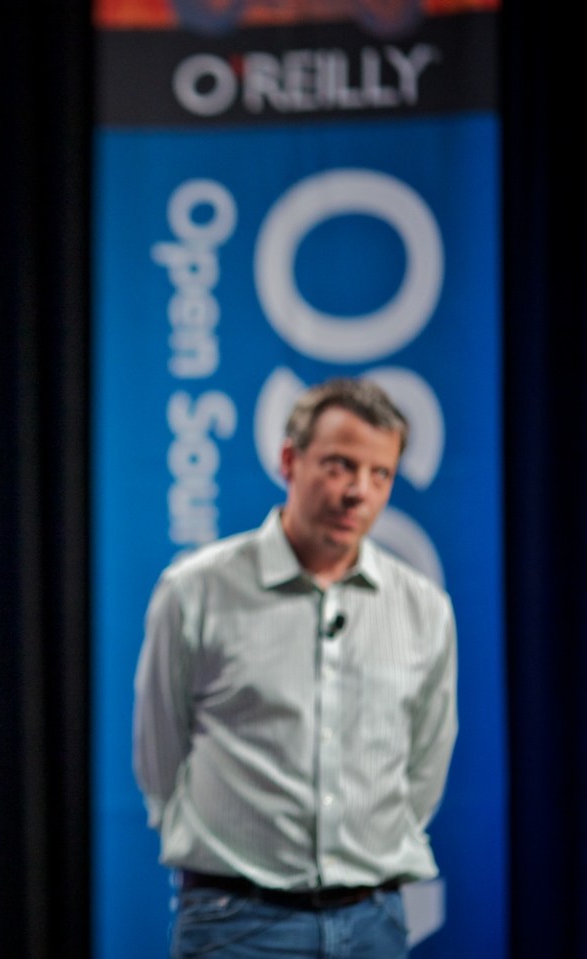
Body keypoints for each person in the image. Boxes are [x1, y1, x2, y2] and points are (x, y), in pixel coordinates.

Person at [132, 377, 457, 959]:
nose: (358, 492)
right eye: (340, 465)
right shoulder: (195, 591)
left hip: (374, 922)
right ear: (289, 460)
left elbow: (426, 762)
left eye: (380, 474)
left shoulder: (423, 608)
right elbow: (159, 755)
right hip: (235, 924)